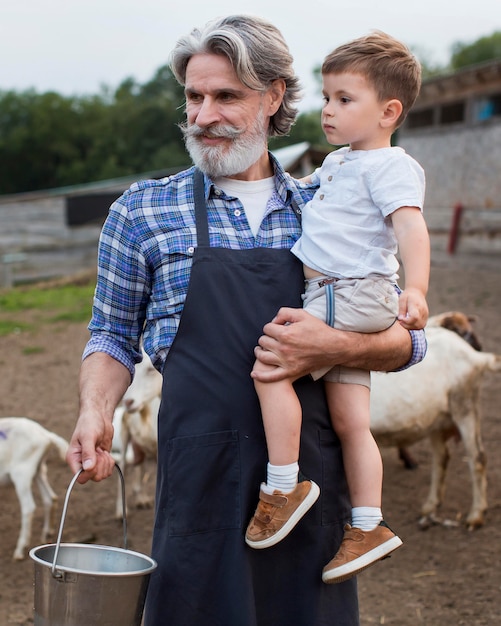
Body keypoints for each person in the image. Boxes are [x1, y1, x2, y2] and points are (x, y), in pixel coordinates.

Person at [66, 15, 427, 626]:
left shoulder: (331, 209)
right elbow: (111, 333)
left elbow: (408, 344)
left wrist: (330, 345)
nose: (204, 115)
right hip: (199, 485)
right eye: (194, 96)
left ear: (275, 96)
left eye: (226, 96)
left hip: (309, 494)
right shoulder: (142, 211)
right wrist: (95, 411)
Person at [246, 31, 430, 584]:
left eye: (344, 100)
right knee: (353, 422)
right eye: (326, 98)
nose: (327, 110)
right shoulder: (342, 162)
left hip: (347, 293)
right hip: (341, 293)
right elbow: (306, 191)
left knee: (270, 365)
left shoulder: (391, 166)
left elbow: (411, 229)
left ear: (388, 111)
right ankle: (368, 525)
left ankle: (282, 486)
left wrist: (417, 290)